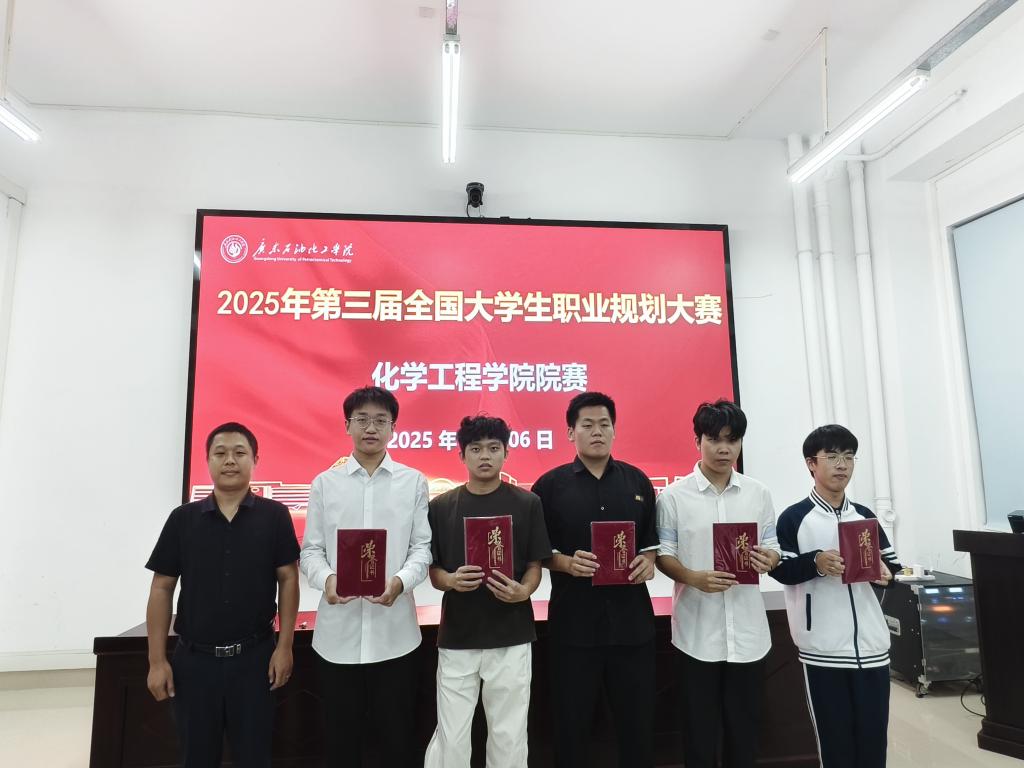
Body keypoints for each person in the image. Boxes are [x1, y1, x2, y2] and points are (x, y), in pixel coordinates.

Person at [145, 422, 300, 768]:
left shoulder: (275, 516)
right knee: (197, 757)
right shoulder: (182, 519)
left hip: (255, 660)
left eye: (240, 452)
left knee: (254, 757)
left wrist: (284, 647)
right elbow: (161, 587)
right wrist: (157, 661)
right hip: (194, 663)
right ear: (208, 460)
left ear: (255, 460)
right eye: (220, 453)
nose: (230, 460)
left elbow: (288, 579)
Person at [299, 386, 432, 768]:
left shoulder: (413, 481)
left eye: (380, 420)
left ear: (393, 428)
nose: (370, 428)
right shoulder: (325, 484)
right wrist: (327, 580)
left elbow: (422, 549)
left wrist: (401, 582)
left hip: (396, 638)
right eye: (362, 419)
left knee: (397, 742)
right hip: (337, 640)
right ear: (347, 426)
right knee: (341, 745)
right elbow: (311, 551)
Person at [532, 391, 659, 768]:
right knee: (571, 728)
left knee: (637, 727)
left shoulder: (638, 482)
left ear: (615, 430)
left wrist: (648, 561)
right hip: (574, 628)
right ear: (570, 432)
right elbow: (535, 551)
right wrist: (565, 563)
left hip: (632, 627)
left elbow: (652, 543)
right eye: (587, 425)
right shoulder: (548, 487)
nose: (597, 431)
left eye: (604, 424)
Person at [655, 399, 781, 768]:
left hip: (748, 633)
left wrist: (769, 559)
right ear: (697, 441)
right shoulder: (673, 496)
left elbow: (773, 546)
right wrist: (693, 578)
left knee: (744, 733)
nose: (724, 448)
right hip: (697, 633)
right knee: (699, 733)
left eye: (733, 440)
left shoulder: (758, 493)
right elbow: (663, 555)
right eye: (714, 439)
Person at [423, 415, 552, 768]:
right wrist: (451, 580)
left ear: (506, 453)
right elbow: (434, 571)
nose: (485, 456)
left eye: (494, 448)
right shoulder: (441, 507)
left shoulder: (528, 503)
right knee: (452, 734)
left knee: (509, 733)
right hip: (458, 634)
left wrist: (524, 591)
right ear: (461, 455)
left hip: (512, 632)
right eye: (476, 449)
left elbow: (535, 564)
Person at [770, 424, 902, 768]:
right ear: (811, 464)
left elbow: (893, 567)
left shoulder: (865, 516)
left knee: (873, 740)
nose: (842, 464)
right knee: (836, 743)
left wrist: (887, 574)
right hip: (823, 650)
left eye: (849, 456)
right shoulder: (794, 518)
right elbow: (780, 570)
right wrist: (815, 562)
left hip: (872, 648)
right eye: (832, 456)